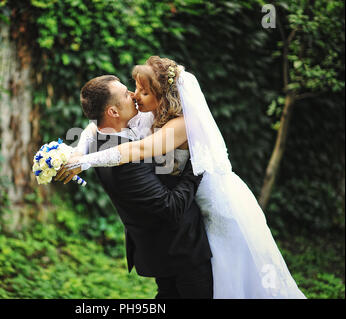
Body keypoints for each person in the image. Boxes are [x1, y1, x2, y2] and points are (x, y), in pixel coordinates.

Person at [58, 56, 306, 299]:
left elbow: (140, 150)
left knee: (236, 273)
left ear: (162, 96)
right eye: (134, 89)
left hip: (214, 203)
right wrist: (79, 151)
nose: (135, 95)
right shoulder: (146, 114)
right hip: (187, 213)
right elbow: (94, 127)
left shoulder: (180, 124)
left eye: (142, 91)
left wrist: (85, 162)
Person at [65, 75, 214, 298]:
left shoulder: (101, 138)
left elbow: (92, 127)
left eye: (140, 91)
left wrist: (79, 152)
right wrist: (196, 166)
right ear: (113, 112)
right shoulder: (126, 159)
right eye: (127, 93)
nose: (134, 96)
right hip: (181, 248)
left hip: (159, 250)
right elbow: (169, 207)